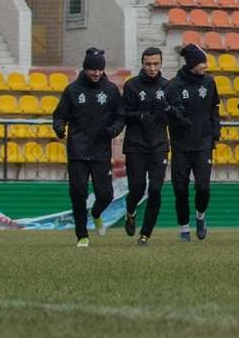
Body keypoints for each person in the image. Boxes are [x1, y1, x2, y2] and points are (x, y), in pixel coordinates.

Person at [52, 48, 125, 248]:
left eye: (100, 69)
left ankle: (96, 213)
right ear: (85, 69)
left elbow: (120, 117)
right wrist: (59, 127)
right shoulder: (72, 90)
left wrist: (114, 129)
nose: (96, 73)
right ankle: (82, 235)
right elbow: (59, 115)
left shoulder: (110, 90)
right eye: (93, 69)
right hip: (77, 151)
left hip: (101, 151)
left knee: (106, 195)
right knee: (78, 194)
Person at [119, 47, 174, 245]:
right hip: (136, 145)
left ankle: (145, 234)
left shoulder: (167, 86)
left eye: (155, 64)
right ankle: (130, 212)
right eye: (148, 64)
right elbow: (123, 114)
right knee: (137, 187)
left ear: (161, 64)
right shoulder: (132, 86)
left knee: (156, 190)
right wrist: (140, 116)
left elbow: (178, 113)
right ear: (142, 64)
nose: (152, 68)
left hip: (159, 145)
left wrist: (169, 109)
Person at [166, 43, 221, 242]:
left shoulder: (209, 83)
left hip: (204, 143)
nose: (206, 65)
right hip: (181, 145)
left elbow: (214, 107)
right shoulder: (174, 85)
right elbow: (171, 115)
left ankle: (200, 216)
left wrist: (215, 129)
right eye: (203, 62)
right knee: (180, 189)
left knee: (203, 187)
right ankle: (184, 229)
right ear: (192, 64)